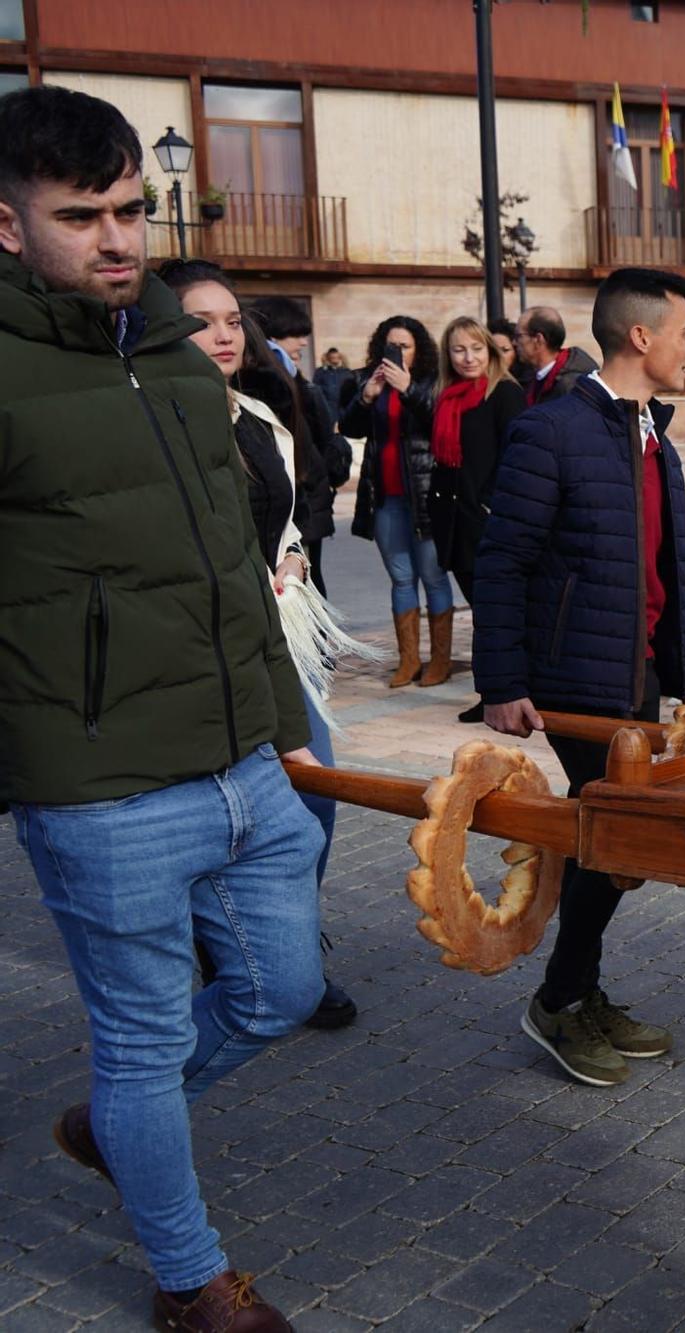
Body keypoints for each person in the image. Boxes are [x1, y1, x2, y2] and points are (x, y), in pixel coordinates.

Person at [0, 84, 320, 1331]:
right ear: (10, 225)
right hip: (101, 786)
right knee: (140, 1044)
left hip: (244, 758)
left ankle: (117, 1126)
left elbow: (236, 563)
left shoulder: (178, 353)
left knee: (280, 993)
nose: (121, 238)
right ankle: (194, 1282)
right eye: (83, 215)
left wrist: (284, 716)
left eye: (133, 208)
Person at [475, 267, 685, 1088]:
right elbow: (503, 560)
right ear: (642, 336)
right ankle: (557, 1000)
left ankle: (575, 990)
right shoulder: (552, 431)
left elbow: (667, 574)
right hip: (574, 677)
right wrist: (504, 680)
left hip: (638, 675)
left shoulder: (653, 434)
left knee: (610, 841)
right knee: (616, 835)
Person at [163, 260, 362, 1032]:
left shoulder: (258, 416)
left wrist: (293, 557)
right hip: (190, 648)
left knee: (316, 791)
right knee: (205, 809)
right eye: (199, 319)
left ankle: (289, 943)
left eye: (229, 319)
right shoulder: (152, 417)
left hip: (278, 634)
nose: (221, 332)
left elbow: (289, 517)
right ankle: (228, 948)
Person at [343, 315, 457, 688]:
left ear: (418, 349)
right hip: (385, 498)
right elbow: (348, 427)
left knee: (434, 578)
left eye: (404, 345)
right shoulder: (368, 381)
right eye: (390, 345)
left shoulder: (430, 382)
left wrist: (408, 389)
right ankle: (408, 660)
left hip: (424, 497)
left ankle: (439, 661)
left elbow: (439, 422)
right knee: (401, 579)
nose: (397, 352)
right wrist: (366, 397)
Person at [431, 317, 527, 711]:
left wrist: (491, 503)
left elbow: (517, 454)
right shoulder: (449, 395)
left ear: (490, 350)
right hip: (455, 520)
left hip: (487, 520)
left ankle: (500, 692)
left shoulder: (504, 393)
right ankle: (494, 692)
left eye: (476, 348)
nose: (468, 357)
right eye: (458, 349)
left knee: (494, 611)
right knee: (481, 610)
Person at [250, 295, 350, 597]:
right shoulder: (268, 382)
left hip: (309, 500)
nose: (303, 343)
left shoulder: (297, 380)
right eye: (294, 335)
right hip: (291, 500)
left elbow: (321, 436)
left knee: (309, 581)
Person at [517, 304, 598, 407]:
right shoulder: (532, 377)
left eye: (519, 336)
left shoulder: (571, 386)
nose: (515, 342)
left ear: (538, 339)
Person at [316, 345, 357, 422]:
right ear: (328, 358)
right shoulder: (321, 372)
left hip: (343, 409)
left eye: (336, 357)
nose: (335, 360)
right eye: (332, 358)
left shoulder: (347, 372)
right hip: (328, 408)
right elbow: (317, 389)